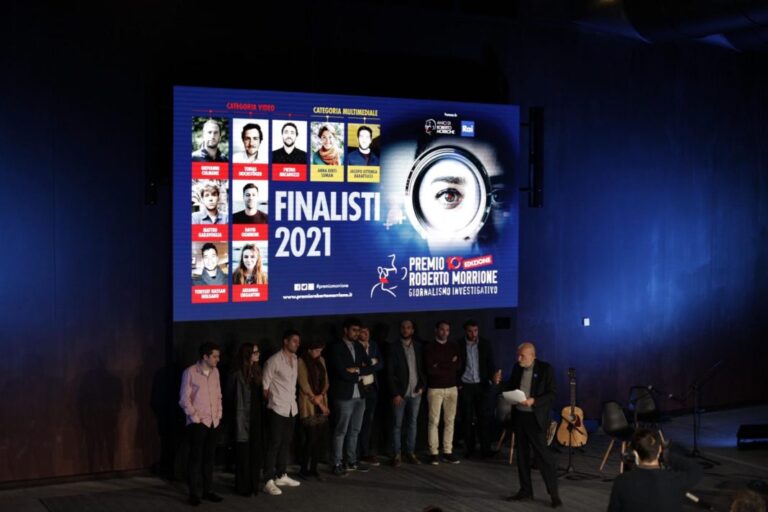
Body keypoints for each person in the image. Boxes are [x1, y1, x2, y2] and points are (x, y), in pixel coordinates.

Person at [503, 342, 561, 508]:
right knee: (522, 456)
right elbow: (510, 386)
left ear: (532, 356)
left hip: (535, 418)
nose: (519, 358)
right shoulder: (517, 368)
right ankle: (525, 491)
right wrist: (499, 383)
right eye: (518, 355)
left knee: (544, 457)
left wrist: (534, 400)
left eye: (522, 356)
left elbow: (552, 394)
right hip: (520, 417)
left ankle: (554, 495)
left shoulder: (545, 369)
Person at [608, 429, 703, 512]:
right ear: (659, 450)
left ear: (635, 453)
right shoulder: (675, 480)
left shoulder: (622, 481)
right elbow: (695, 469)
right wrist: (668, 457)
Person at [179, 342, 224, 506]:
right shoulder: (190, 372)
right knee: (196, 458)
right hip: (198, 422)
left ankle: (208, 490)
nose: (218, 359)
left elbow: (218, 395)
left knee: (209, 458)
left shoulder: (216, 372)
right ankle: (193, 493)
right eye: (215, 356)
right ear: (205, 356)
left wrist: (219, 414)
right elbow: (184, 398)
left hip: (213, 421)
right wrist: (195, 417)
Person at [327, 318, 373, 476]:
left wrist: (356, 371)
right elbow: (340, 372)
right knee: (341, 431)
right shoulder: (336, 347)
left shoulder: (359, 346)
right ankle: (337, 462)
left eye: (358, 330)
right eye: (354, 330)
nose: (357, 333)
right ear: (345, 330)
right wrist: (358, 373)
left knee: (355, 430)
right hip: (344, 396)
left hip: (360, 394)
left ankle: (351, 460)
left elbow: (370, 366)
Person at [262, 330, 302, 496]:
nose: (297, 344)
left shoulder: (295, 359)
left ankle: (281, 475)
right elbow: (265, 387)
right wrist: (274, 401)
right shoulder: (274, 361)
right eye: (294, 341)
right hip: (277, 408)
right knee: (274, 444)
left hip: (291, 408)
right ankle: (268, 480)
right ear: (285, 341)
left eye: (298, 341)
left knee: (286, 442)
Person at [457, 319, 500, 458]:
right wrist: (458, 383)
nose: (473, 334)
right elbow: (455, 366)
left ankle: (485, 449)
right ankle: (469, 450)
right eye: (470, 331)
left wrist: (493, 377)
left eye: (475, 330)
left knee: (484, 418)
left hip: (482, 385)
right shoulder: (458, 344)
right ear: (465, 331)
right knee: (467, 419)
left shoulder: (485, 344)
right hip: (466, 385)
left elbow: (491, 363)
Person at [227, 343, 264, 497]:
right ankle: (243, 487)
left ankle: (254, 485)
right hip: (242, 417)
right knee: (243, 453)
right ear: (247, 354)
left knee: (255, 451)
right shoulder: (236, 374)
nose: (258, 354)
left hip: (256, 416)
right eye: (255, 352)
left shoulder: (257, 370)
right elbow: (229, 396)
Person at [387, 319, 425, 466]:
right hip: (400, 394)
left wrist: (422, 386)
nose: (405, 330)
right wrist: (395, 393)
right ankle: (396, 454)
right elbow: (389, 373)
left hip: (415, 393)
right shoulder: (393, 347)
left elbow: (423, 369)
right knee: (397, 425)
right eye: (403, 327)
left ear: (412, 330)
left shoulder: (419, 347)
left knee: (412, 424)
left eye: (408, 327)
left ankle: (410, 453)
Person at [423, 320, 462, 465]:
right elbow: (430, 370)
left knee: (450, 421)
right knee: (434, 421)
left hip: (452, 387)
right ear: (436, 330)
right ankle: (433, 452)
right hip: (435, 388)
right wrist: (449, 363)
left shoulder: (454, 346)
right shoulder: (429, 347)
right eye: (442, 329)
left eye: (447, 330)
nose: (445, 332)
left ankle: (447, 451)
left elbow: (457, 366)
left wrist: (440, 364)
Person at [297, 339, 330, 481]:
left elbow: (326, 381)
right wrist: (317, 400)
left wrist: (321, 395)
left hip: (321, 399)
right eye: (316, 350)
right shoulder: (301, 361)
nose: (319, 353)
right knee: (310, 438)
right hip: (308, 403)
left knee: (318, 439)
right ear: (309, 350)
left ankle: (314, 469)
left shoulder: (321, 360)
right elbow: (303, 383)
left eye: (320, 351)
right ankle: (303, 469)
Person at [357, 326, 384, 466]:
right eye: (363, 331)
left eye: (368, 331)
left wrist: (368, 365)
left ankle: (365, 453)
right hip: (359, 389)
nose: (366, 334)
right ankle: (353, 454)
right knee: (356, 422)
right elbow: (358, 367)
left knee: (368, 422)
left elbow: (381, 364)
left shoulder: (373, 345)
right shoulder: (355, 346)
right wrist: (372, 362)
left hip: (372, 389)